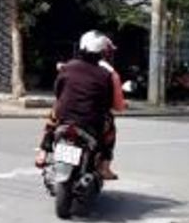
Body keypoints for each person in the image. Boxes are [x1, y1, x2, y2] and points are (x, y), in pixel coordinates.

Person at [35, 31, 125, 180]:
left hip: (65, 118)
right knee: (110, 128)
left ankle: (43, 152)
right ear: (103, 52)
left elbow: (58, 92)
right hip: (91, 122)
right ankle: (104, 167)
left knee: (54, 113)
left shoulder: (67, 67)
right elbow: (118, 106)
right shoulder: (108, 74)